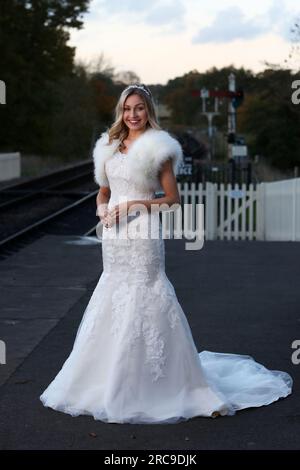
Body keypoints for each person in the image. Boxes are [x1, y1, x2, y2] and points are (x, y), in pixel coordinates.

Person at [40, 83, 293, 424]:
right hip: (114, 236)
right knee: (114, 290)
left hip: (142, 231)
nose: (133, 114)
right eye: (127, 108)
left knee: (147, 292)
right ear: (121, 111)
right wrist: (102, 210)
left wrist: (134, 203)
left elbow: (172, 201)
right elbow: (102, 192)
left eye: (139, 108)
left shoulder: (159, 147)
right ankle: (103, 377)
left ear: (148, 111)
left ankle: (162, 384)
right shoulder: (108, 146)